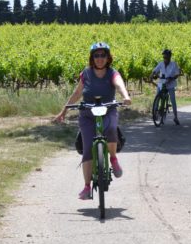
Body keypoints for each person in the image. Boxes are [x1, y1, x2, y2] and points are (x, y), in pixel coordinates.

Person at [54, 42, 132, 200]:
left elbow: (119, 84)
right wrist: (64, 111)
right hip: (87, 114)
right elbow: (77, 94)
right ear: (92, 58)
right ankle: (86, 187)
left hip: (108, 110)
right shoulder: (86, 73)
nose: (100, 58)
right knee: (88, 147)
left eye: (103, 55)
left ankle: (113, 159)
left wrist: (125, 96)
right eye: (96, 55)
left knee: (110, 130)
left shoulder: (112, 73)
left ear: (108, 57)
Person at [151, 48, 182, 125]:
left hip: (170, 84)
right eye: (164, 57)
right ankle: (155, 114)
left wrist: (172, 78)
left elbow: (177, 73)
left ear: (169, 57)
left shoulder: (174, 64)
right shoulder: (161, 64)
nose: (165, 59)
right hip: (161, 83)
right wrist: (152, 75)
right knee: (157, 98)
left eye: (166, 57)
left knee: (173, 100)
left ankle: (175, 117)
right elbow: (155, 70)